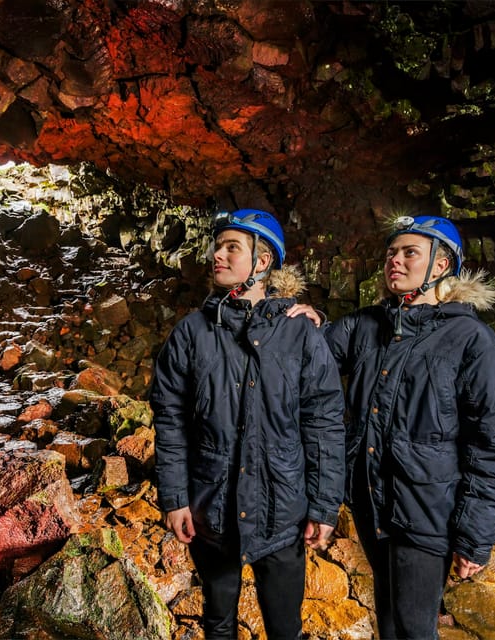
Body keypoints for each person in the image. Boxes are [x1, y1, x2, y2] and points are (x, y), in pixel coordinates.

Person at [288, 214, 495, 639]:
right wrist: (301, 316)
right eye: (392, 252)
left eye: (411, 253)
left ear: (441, 266)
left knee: (412, 626)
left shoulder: (471, 341)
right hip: (373, 502)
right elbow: (306, 357)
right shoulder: (366, 324)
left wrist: (475, 538)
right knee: (388, 619)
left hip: (427, 512)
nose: (396, 260)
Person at [149, 208, 346, 640]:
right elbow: (171, 421)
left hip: (282, 512)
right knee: (218, 623)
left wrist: (324, 506)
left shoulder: (301, 334)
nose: (217, 255)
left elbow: (324, 424)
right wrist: (175, 498)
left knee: (284, 628)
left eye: (231, 247)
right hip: (212, 512)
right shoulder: (191, 333)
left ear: (261, 262)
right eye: (217, 246)